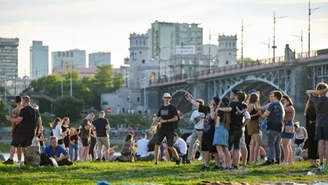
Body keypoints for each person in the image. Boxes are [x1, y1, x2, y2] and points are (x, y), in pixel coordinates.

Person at [186, 94, 220, 170]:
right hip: (205, 131)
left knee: (213, 150)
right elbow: (198, 105)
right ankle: (206, 165)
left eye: (212, 100)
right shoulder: (207, 108)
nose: (211, 101)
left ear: (215, 102)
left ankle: (217, 165)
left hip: (213, 132)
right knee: (206, 149)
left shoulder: (218, 110)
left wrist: (211, 109)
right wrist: (190, 100)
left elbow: (212, 117)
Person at [4, 96, 40, 165]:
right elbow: (39, 120)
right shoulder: (35, 110)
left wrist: (10, 119)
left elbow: (19, 120)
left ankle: (11, 159)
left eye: (22, 101)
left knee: (13, 144)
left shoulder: (24, 110)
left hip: (22, 130)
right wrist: (38, 129)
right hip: (31, 131)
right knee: (26, 146)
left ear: (24, 101)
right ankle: (28, 161)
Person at [152, 93, 181, 165]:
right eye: (165, 98)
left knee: (170, 147)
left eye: (167, 98)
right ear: (163, 99)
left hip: (170, 129)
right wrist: (153, 124)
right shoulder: (161, 108)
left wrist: (166, 121)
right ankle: (156, 161)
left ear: (170, 99)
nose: (166, 99)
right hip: (161, 129)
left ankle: (178, 158)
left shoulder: (172, 107)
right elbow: (158, 117)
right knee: (157, 144)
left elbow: (176, 118)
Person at [306, 82, 328, 172]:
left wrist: (318, 92)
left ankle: (321, 164)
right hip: (327, 123)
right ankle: (327, 164)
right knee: (327, 143)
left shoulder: (315, 99)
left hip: (318, 123)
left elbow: (308, 92)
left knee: (320, 143)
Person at [260, 90, 284, 166]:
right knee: (277, 144)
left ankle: (270, 160)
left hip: (272, 126)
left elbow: (265, 115)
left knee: (271, 144)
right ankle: (278, 159)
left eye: (272, 96)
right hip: (280, 126)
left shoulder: (273, 105)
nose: (270, 98)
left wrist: (259, 115)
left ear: (276, 97)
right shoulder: (281, 105)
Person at [213, 98, 231, 170]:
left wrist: (216, 124)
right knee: (226, 149)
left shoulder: (220, 111)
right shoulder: (228, 112)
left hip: (219, 130)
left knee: (219, 149)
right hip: (226, 129)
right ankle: (229, 165)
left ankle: (223, 164)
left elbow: (217, 120)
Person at [186, 99, 205, 164]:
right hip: (195, 130)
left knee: (202, 146)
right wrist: (196, 118)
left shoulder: (204, 112)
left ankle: (204, 159)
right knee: (191, 144)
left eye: (196, 104)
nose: (195, 105)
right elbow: (191, 121)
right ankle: (188, 159)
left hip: (201, 131)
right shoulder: (194, 112)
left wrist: (203, 118)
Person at [246, 93, 262, 164]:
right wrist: (256, 114)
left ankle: (251, 159)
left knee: (254, 143)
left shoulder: (254, 106)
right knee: (258, 142)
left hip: (255, 124)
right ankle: (255, 160)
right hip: (252, 124)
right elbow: (247, 115)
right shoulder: (251, 106)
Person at [281, 95, 295, 165]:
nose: (283, 102)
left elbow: (284, 109)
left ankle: (286, 161)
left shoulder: (290, 108)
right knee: (288, 145)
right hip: (286, 125)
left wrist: (283, 104)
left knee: (285, 145)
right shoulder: (288, 107)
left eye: (284, 100)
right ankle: (290, 161)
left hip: (288, 126)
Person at [304, 97, 318, 168]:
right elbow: (312, 119)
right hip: (313, 128)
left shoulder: (308, 108)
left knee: (312, 144)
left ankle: (313, 161)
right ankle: (313, 162)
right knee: (313, 145)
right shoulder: (312, 108)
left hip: (310, 128)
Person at [9, 96, 24, 164]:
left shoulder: (15, 110)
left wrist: (12, 131)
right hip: (25, 127)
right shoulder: (25, 108)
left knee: (17, 146)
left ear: (15, 101)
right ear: (21, 100)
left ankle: (19, 160)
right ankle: (26, 160)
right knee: (25, 146)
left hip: (18, 127)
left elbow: (14, 121)